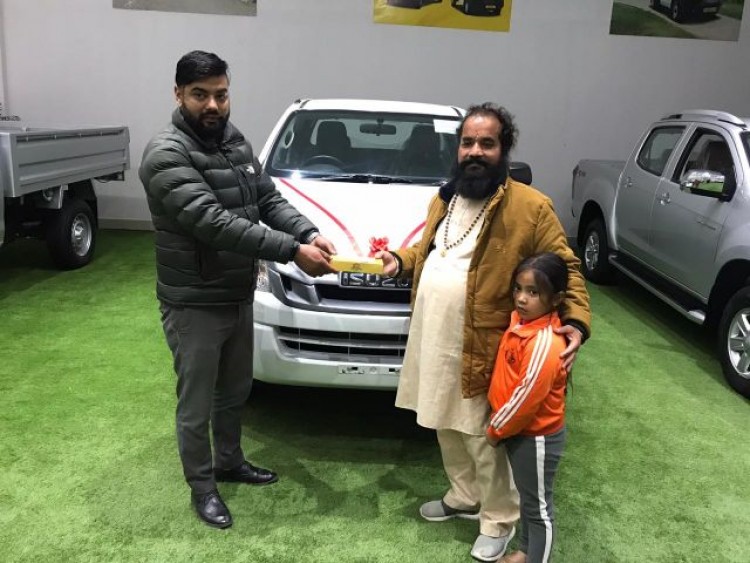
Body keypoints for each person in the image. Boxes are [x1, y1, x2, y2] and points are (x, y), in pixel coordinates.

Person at [377, 103, 590, 561]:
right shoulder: (444, 198)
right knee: (442, 420)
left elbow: (566, 267)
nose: (475, 151)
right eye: (468, 143)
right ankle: (464, 495)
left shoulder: (531, 207)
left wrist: (575, 321)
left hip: (485, 342)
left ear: (503, 149)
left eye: (486, 143)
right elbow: (430, 250)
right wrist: (401, 260)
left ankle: (498, 519)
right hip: (433, 333)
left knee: (480, 433)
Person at [139, 50, 336, 529]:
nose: (213, 105)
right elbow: (212, 222)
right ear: (178, 94)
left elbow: (267, 198)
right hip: (194, 301)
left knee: (233, 391)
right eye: (200, 95)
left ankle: (229, 462)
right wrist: (292, 250)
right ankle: (202, 487)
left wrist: (308, 231)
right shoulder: (166, 154)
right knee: (196, 403)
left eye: (221, 95)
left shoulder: (234, 141)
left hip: (235, 292)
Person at [486, 253, 571, 563]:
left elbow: (525, 399)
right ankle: (524, 552)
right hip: (519, 433)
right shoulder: (521, 323)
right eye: (518, 289)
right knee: (529, 499)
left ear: (556, 298)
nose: (521, 298)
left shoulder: (544, 344)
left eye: (533, 292)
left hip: (536, 438)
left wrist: (496, 429)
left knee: (539, 510)